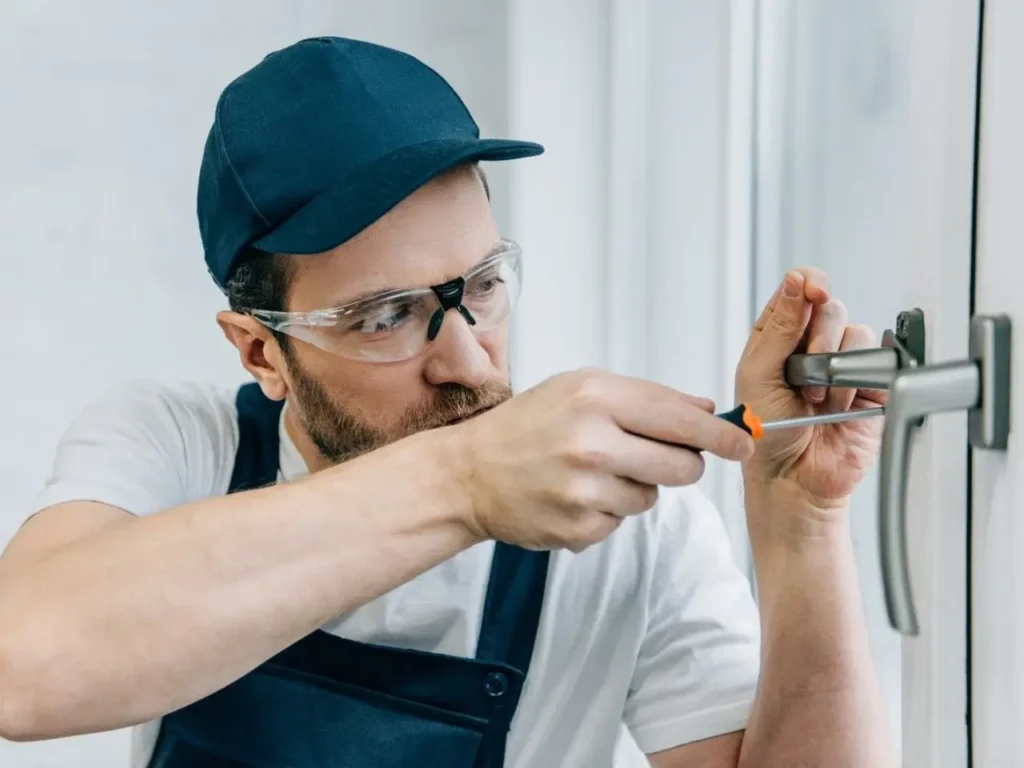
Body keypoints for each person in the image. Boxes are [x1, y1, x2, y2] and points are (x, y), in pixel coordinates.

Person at [0, 36, 894, 768]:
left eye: (483, 284)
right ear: (260, 351)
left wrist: (801, 522)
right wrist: (467, 480)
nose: (466, 360)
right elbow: (24, 668)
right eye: (387, 317)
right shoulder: (175, 447)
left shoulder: (632, 539)